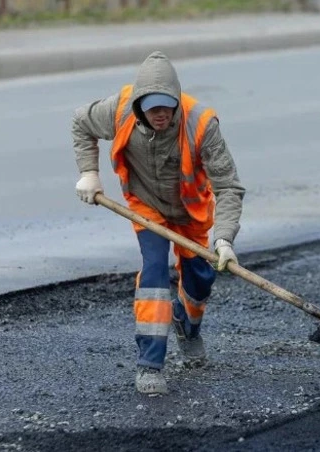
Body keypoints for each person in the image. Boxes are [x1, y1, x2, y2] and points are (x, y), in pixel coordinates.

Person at [71, 51, 246, 395]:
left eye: (167, 105)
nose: (161, 114)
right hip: (146, 206)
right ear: (139, 105)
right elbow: (81, 122)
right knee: (153, 275)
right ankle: (150, 365)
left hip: (191, 213)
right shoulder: (119, 110)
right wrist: (89, 173)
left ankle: (188, 325)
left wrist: (224, 240)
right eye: (152, 107)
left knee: (199, 283)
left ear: (177, 101)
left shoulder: (201, 123)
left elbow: (228, 186)